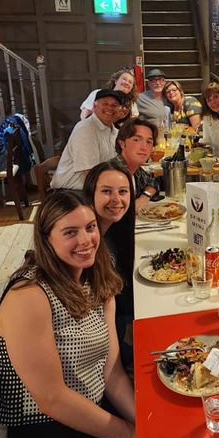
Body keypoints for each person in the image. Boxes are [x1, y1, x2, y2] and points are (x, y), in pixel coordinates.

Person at [0, 190, 136, 438]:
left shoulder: (95, 279)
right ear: (47, 240)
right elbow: (52, 399)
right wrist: (134, 436)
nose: (86, 240)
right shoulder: (29, 296)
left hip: (93, 411)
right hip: (47, 430)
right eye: (70, 232)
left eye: (90, 227)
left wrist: (147, 424)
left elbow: (112, 373)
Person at [84, 160, 136, 373]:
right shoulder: (88, 243)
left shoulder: (112, 231)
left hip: (114, 320)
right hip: (96, 344)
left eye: (123, 191)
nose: (116, 200)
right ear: (90, 194)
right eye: (106, 191)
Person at [50, 89, 124, 190]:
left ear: (120, 110)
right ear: (94, 106)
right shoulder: (85, 129)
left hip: (96, 186)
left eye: (114, 105)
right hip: (72, 192)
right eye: (105, 103)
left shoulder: (114, 131)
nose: (109, 108)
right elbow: (90, 173)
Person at [114, 118, 159, 212]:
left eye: (149, 142)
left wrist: (145, 196)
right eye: (136, 140)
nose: (144, 147)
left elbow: (153, 182)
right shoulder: (113, 173)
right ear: (122, 143)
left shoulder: (135, 169)